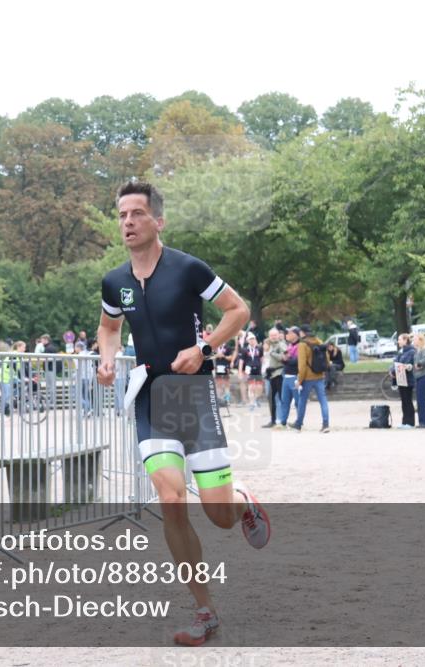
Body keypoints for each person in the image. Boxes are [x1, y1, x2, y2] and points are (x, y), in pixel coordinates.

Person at [96, 181, 270, 646]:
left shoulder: (189, 269)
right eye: (122, 215)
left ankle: (241, 503)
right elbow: (108, 325)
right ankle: (204, 610)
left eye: (136, 214)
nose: (128, 222)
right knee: (171, 499)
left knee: (218, 515)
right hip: (151, 393)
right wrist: (108, 356)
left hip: (191, 394)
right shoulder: (115, 282)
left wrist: (204, 347)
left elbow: (238, 309)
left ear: (158, 221)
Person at [291, 324, 330, 433]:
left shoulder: (302, 345)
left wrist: (299, 380)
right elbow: (327, 358)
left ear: (302, 333)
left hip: (307, 377)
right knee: (323, 401)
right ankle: (326, 424)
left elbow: (302, 365)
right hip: (319, 375)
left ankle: (298, 424)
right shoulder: (319, 341)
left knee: (302, 400)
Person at [276, 327, 301, 429]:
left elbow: (295, 362)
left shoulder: (300, 346)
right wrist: (285, 359)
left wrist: (285, 359)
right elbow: (285, 359)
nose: (287, 335)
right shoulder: (290, 345)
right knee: (284, 401)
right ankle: (283, 421)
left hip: (295, 376)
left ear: (295, 335)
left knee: (298, 401)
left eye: (289, 333)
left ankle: (299, 422)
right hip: (286, 376)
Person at [262, 328, 286, 428]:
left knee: (281, 397)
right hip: (271, 374)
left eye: (275, 335)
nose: (273, 337)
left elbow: (283, 357)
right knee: (270, 398)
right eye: (271, 335)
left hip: (279, 373)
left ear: (278, 335)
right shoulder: (268, 345)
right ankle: (273, 420)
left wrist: (272, 353)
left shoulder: (281, 344)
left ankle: (283, 420)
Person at [393, 333, 416, 429]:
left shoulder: (411, 351)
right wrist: (392, 370)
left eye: (399, 339)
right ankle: (404, 421)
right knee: (403, 401)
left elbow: (408, 364)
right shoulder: (401, 351)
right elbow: (395, 362)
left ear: (405, 340)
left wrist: (404, 366)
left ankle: (410, 422)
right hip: (400, 379)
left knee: (408, 401)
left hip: (408, 379)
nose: (398, 341)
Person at [238, 333, 264, 409]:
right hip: (249, 370)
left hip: (258, 369)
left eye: (253, 339)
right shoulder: (244, 350)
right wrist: (240, 371)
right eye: (250, 339)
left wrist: (263, 368)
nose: (252, 341)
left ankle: (255, 399)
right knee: (251, 386)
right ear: (247, 340)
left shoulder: (259, 348)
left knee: (259, 387)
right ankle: (252, 402)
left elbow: (262, 359)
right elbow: (241, 361)